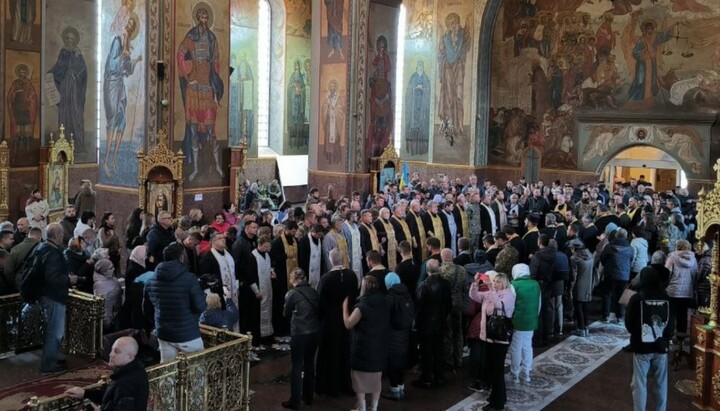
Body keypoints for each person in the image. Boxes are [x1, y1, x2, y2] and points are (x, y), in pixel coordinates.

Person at [178, 6, 224, 181]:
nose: (204, 19)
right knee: (193, 131)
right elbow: (180, 54)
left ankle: (218, 167)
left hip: (208, 87)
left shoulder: (212, 39)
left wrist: (216, 88)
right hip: (194, 89)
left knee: (212, 130)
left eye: (206, 16)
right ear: (197, 17)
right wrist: (188, 76)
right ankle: (196, 169)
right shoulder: (191, 36)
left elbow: (217, 64)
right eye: (201, 16)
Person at [144, 243, 207, 363]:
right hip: (188, 334)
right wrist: (203, 296)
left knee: (167, 375)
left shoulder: (150, 280)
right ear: (182, 257)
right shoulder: (189, 279)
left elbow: (147, 310)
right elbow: (200, 307)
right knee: (196, 374)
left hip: (164, 333)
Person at [625, 263, 672, 411]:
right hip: (661, 345)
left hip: (641, 346)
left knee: (639, 383)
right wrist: (665, 338)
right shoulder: (667, 298)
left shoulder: (636, 299)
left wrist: (637, 334)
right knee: (661, 383)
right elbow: (671, 323)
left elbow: (629, 324)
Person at [469, 272, 516, 411]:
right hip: (489, 336)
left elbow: (499, 305)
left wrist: (489, 287)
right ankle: (499, 396)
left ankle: (497, 403)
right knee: (492, 369)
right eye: (494, 281)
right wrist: (476, 283)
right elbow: (474, 296)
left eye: (498, 282)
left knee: (497, 371)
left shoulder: (508, 295)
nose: (495, 284)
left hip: (500, 338)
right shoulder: (491, 292)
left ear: (504, 283)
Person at [315, 248, 359, 397]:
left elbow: (320, 302)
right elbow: (355, 296)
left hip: (330, 321)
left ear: (330, 259)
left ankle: (331, 386)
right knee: (345, 351)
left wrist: (319, 317)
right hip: (347, 318)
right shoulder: (352, 275)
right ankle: (345, 384)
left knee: (330, 352)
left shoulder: (326, 278)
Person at [343, 275, 389, 411]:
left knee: (359, 380)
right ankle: (374, 407)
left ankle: (361, 407)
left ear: (364, 287)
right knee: (376, 380)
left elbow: (348, 323)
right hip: (379, 346)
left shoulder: (362, 306)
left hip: (363, 348)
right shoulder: (384, 301)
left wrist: (344, 308)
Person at [65, 336, 149, 410]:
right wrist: (85, 393)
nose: (111, 354)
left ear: (129, 356)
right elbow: (110, 397)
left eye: (117, 351)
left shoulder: (127, 383)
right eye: (112, 350)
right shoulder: (131, 371)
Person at [282, 268, 320, 410]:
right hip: (314, 332)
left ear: (293, 279)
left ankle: (295, 401)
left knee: (297, 366)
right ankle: (308, 397)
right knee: (310, 364)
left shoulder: (292, 293)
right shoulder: (314, 291)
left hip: (299, 334)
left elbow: (285, 313)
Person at [37, 223, 72, 373]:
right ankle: (49, 366)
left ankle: (52, 358)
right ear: (58, 235)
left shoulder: (42, 247)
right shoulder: (52, 253)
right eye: (62, 233)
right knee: (55, 332)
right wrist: (70, 279)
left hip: (46, 295)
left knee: (52, 331)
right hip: (53, 297)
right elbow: (53, 278)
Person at [48, 27, 88, 150]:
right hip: (65, 85)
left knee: (76, 111)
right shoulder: (63, 52)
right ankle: (64, 142)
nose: (70, 41)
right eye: (68, 38)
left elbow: (83, 70)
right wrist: (50, 73)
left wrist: (76, 75)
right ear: (65, 40)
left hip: (75, 86)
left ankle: (78, 143)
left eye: (72, 38)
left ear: (75, 40)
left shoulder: (78, 53)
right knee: (65, 111)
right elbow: (58, 67)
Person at [414, 259, 451, 389]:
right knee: (439, 350)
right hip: (441, 322)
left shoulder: (423, 286)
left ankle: (426, 378)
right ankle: (439, 376)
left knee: (426, 352)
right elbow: (448, 305)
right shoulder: (446, 284)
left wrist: (416, 324)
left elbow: (419, 307)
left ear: (427, 270)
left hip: (426, 325)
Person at [383, 272, 414, 401]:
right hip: (405, 333)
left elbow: (385, 318)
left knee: (393, 363)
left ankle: (394, 390)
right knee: (401, 361)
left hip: (392, 335)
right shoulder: (407, 295)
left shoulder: (389, 298)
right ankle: (401, 387)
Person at [509, 264, 540, 383]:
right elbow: (539, 302)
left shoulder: (514, 285)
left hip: (518, 320)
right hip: (531, 320)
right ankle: (526, 372)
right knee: (527, 346)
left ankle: (515, 373)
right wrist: (534, 317)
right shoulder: (535, 284)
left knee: (516, 347)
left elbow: (511, 305)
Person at [665, 239, 698, 340]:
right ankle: (681, 338)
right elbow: (695, 274)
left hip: (673, 291)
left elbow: (667, 272)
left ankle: (669, 337)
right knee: (683, 315)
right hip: (687, 291)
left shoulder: (672, 256)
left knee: (670, 315)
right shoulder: (693, 259)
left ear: (678, 246)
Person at [569, 238, 594, 337]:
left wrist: (570, 289)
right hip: (588, 285)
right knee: (585, 307)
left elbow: (574, 275)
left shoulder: (574, 258)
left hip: (579, 286)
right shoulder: (590, 256)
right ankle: (586, 327)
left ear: (574, 248)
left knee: (578, 308)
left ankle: (581, 329)